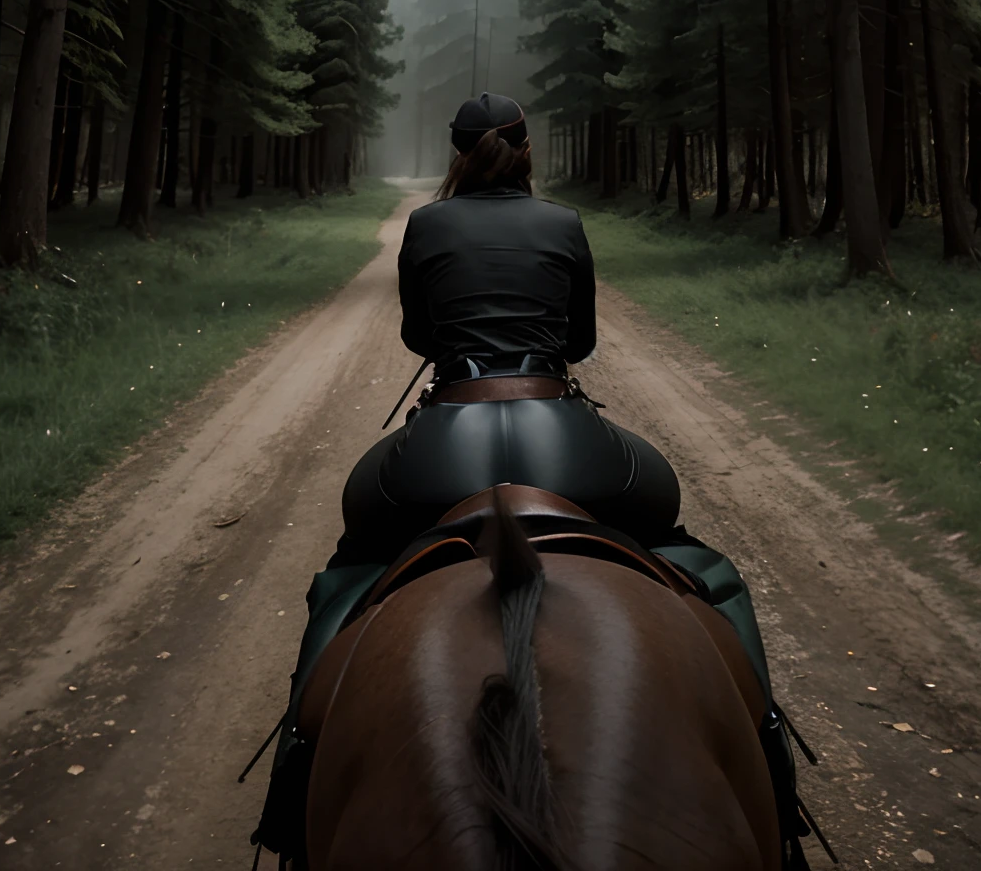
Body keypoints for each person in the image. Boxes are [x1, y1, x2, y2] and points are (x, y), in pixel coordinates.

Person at [253, 93, 809, 863]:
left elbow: (419, 332)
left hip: (441, 447)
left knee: (350, 574)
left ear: (456, 153)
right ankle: (775, 766)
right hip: (565, 440)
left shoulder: (426, 225)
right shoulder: (563, 223)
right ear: (525, 149)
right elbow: (577, 342)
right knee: (702, 567)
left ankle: (292, 777)